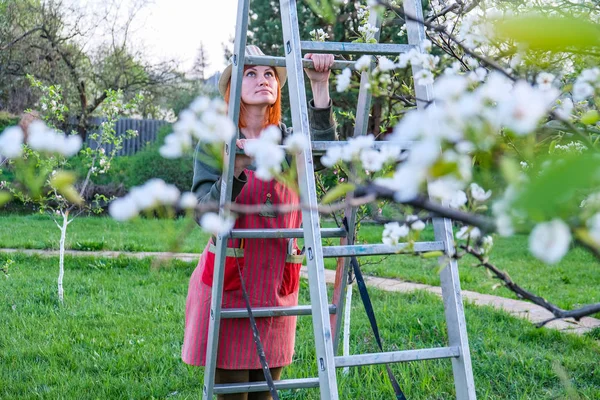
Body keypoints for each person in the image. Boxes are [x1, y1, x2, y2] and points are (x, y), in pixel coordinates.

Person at [182, 45, 337, 400]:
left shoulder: (286, 141)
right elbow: (206, 214)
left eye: (269, 73)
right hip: (230, 285)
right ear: (232, 88)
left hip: (277, 286)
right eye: (250, 73)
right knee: (234, 394)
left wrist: (319, 86)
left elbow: (324, 160)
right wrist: (234, 167)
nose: (262, 79)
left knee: (267, 393)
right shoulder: (215, 143)